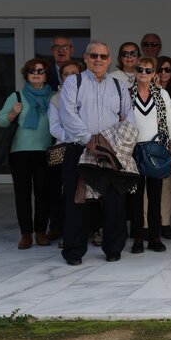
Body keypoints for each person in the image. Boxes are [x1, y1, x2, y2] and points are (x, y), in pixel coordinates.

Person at [58, 41, 134, 265]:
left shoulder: (119, 86)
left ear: (109, 59)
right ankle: (73, 251)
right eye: (94, 56)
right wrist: (88, 140)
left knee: (114, 201)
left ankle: (113, 248)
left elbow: (127, 115)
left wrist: (112, 142)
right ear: (85, 58)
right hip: (81, 148)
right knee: (77, 201)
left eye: (103, 56)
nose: (98, 60)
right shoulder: (74, 82)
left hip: (111, 150)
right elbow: (68, 115)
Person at [0, 57, 54, 249]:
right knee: (22, 194)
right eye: (32, 71)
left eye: (40, 71)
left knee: (43, 194)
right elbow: (1, 120)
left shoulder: (53, 97)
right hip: (20, 153)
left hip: (45, 152)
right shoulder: (17, 97)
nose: (36, 75)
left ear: (46, 75)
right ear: (26, 75)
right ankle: (26, 234)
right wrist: (12, 113)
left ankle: (40, 232)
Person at [126, 57, 171, 255]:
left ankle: (155, 237)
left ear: (154, 73)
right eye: (140, 69)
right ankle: (138, 237)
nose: (144, 73)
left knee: (156, 196)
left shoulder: (162, 95)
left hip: (157, 151)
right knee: (136, 197)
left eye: (148, 70)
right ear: (134, 70)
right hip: (133, 152)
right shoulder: (126, 94)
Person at [46, 60, 83, 242]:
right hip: (62, 148)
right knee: (62, 192)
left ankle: (91, 229)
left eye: (74, 73)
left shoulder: (87, 95)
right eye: (66, 74)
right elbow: (54, 127)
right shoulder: (55, 98)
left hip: (85, 148)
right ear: (61, 77)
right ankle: (62, 231)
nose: (70, 77)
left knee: (87, 191)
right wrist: (73, 137)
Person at [153, 55, 171, 239]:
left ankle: (165, 223)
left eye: (168, 69)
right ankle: (147, 225)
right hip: (148, 144)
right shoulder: (145, 89)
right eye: (160, 69)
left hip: (169, 145)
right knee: (147, 188)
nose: (164, 73)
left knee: (166, 186)